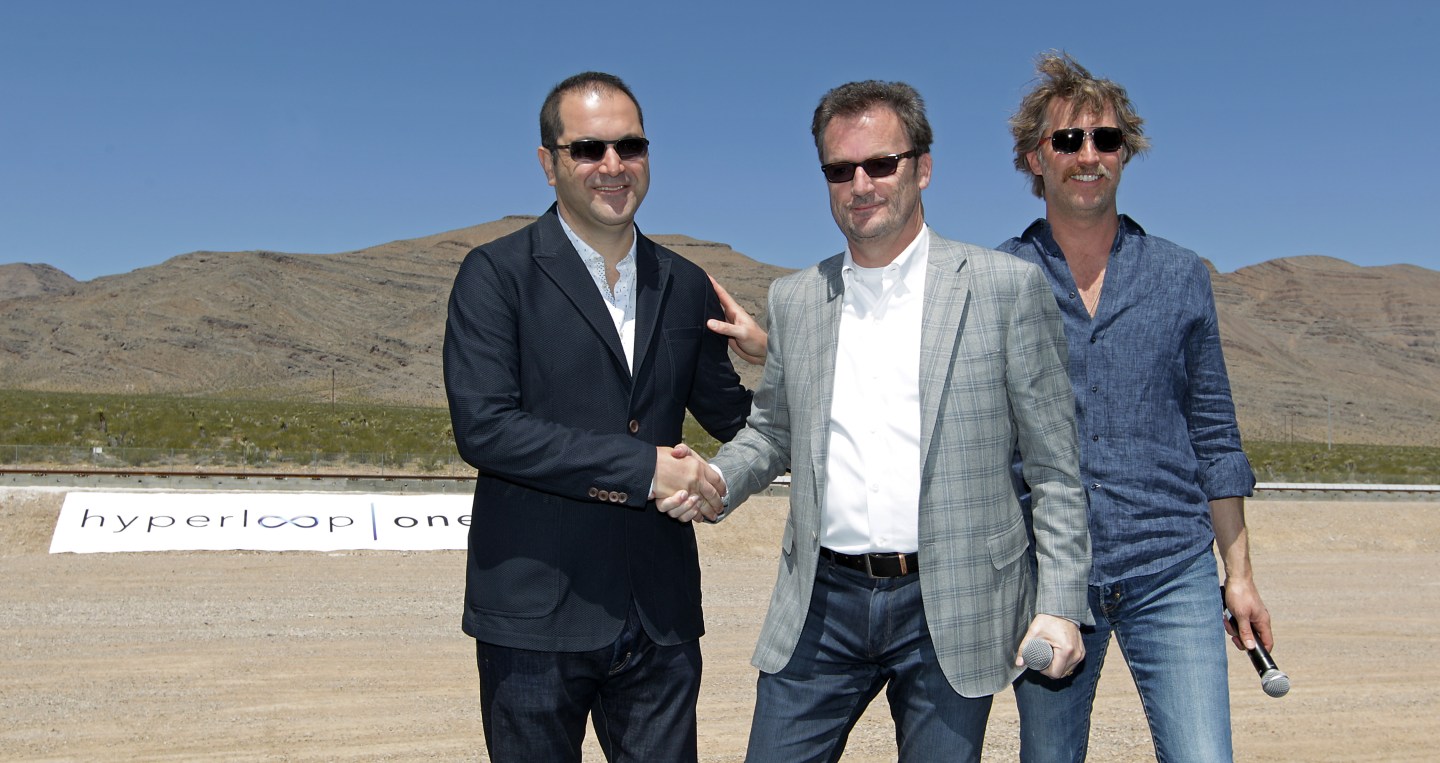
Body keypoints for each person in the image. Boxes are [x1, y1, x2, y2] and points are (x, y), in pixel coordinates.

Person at [662, 80, 1091, 762]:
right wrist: (715, 478)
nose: (860, 185)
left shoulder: (1005, 288)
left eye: (881, 164)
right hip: (821, 603)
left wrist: (1061, 603)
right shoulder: (797, 299)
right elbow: (773, 431)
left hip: (953, 601)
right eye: (840, 170)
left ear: (922, 168)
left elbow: (1054, 468)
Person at [442, 71, 758, 763]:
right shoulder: (495, 274)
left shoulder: (685, 284)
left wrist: (782, 360)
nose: (613, 166)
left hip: (660, 617)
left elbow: (736, 417)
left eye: (630, 146)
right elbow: (486, 428)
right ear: (548, 162)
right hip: (533, 615)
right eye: (588, 149)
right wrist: (644, 469)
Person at [1001, 52, 1274, 763]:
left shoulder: (1180, 276)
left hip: (1171, 567)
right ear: (1035, 158)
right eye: (1068, 140)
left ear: (1125, 153)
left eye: (1106, 139)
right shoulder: (998, 280)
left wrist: (1239, 575)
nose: (1088, 156)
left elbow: (1215, 433)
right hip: (1051, 579)